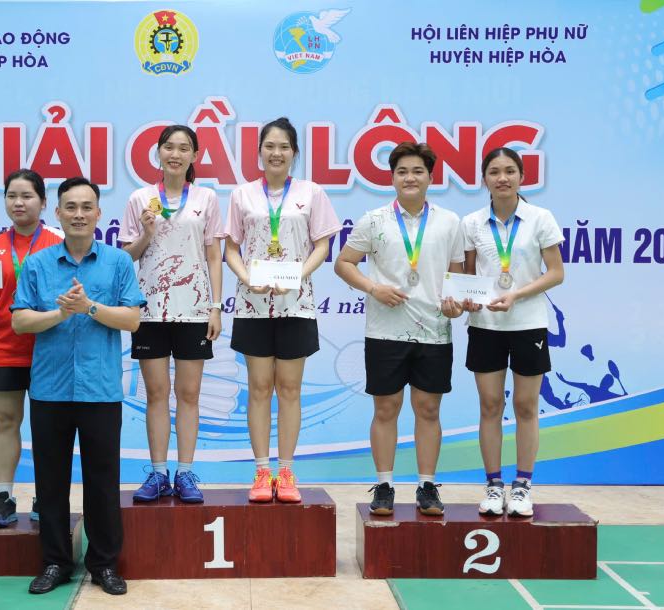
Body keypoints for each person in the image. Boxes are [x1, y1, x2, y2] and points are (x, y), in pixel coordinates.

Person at [12, 176, 145, 596]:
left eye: (86, 207)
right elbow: (19, 320)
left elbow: (131, 319)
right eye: (70, 207)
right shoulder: (37, 263)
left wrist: (88, 306)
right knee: (50, 482)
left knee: (102, 482)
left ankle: (104, 564)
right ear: (58, 213)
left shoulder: (118, 262)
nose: (78, 215)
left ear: (98, 214)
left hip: (100, 390)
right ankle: (55, 562)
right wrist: (60, 313)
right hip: (50, 389)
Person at [334, 143, 466, 516]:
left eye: (418, 171)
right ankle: (385, 485)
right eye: (403, 171)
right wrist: (373, 288)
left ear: (430, 177)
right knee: (386, 408)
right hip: (384, 331)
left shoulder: (449, 222)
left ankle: (427, 486)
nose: (410, 178)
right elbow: (344, 263)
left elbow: (457, 272)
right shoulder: (374, 220)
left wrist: (455, 303)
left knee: (428, 409)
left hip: (435, 332)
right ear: (392, 178)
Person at [223, 117, 340, 503]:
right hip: (253, 304)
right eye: (269, 146)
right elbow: (231, 249)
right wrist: (245, 278)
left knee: (289, 389)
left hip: (297, 304)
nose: (276, 153)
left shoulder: (311, 192)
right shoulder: (242, 195)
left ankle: (286, 472)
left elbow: (322, 245)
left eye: (284, 147)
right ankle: (261, 472)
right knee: (258, 388)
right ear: (259, 152)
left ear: (294, 153)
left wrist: (297, 275)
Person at [120, 125, 223, 504]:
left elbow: (214, 256)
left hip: (194, 310)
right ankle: (158, 473)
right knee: (157, 394)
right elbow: (127, 255)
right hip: (149, 311)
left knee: (190, 393)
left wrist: (215, 306)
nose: (175, 154)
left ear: (194, 156)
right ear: (158, 153)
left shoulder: (207, 198)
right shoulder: (139, 199)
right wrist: (146, 233)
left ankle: (185, 473)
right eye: (169, 147)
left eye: (184, 148)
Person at [461, 147, 565, 518]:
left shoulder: (540, 218)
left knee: (525, 405)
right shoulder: (472, 222)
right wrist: (469, 299)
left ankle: (522, 486)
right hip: (486, 326)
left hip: (529, 323)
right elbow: (470, 276)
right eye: (494, 171)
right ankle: (493, 484)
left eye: (509, 171)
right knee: (490, 405)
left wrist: (516, 294)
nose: (502, 178)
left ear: (522, 176)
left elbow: (555, 272)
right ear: (484, 179)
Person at [0, 169, 62, 528]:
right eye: (12, 196)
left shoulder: (57, 243)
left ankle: (46, 496)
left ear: (43, 202)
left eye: (27, 196)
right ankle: (3, 497)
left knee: (47, 429)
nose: (19, 203)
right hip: (3, 351)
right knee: (6, 423)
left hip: (49, 352)